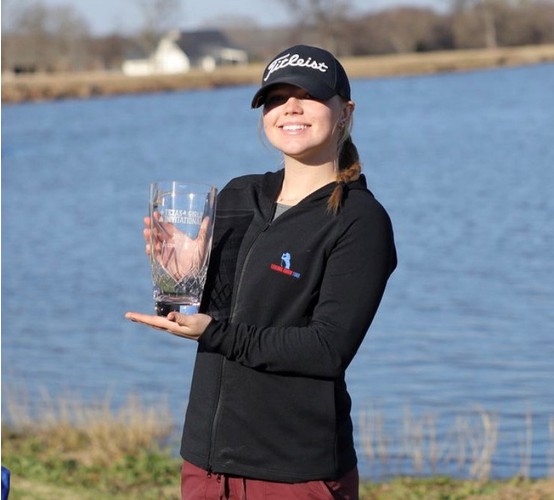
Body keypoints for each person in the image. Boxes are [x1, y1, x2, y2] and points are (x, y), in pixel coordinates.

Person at [126, 44, 397, 500]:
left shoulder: (360, 221)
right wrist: (180, 277)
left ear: (345, 111)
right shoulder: (238, 195)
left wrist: (213, 332)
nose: (289, 108)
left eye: (307, 96)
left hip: (294, 472)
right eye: (275, 98)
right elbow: (213, 313)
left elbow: (327, 348)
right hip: (206, 465)